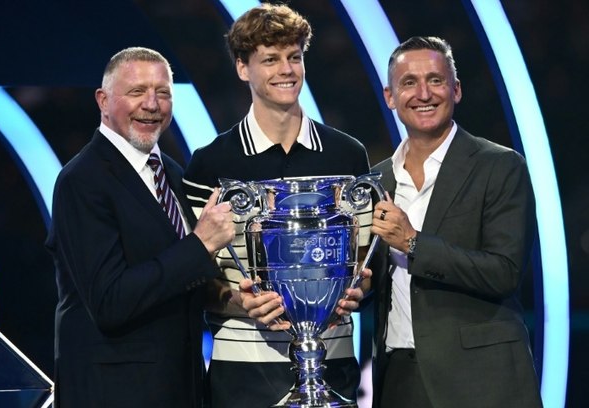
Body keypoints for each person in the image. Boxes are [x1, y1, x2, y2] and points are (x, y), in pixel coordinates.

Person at [182, 4, 371, 407]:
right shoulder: (210, 164)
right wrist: (239, 302)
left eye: (294, 57)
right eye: (270, 59)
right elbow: (192, 277)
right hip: (242, 372)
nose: (286, 70)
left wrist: (360, 291)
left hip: (333, 364)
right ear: (242, 68)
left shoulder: (347, 155)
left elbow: (366, 263)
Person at [45, 47, 235, 408]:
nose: (152, 104)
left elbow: (178, 281)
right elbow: (109, 301)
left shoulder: (173, 175)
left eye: (163, 93)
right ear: (103, 100)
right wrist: (200, 245)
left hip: (180, 386)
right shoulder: (82, 180)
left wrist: (230, 296)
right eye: (136, 92)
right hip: (113, 393)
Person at [367, 36, 544, 407]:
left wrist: (413, 242)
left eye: (435, 80)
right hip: (399, 378)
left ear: (456, 90)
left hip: (479, 380)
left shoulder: (500, 166)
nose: (423, 94)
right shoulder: (376, 181)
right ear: (389, 96)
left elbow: (505, 271)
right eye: (409, 83)